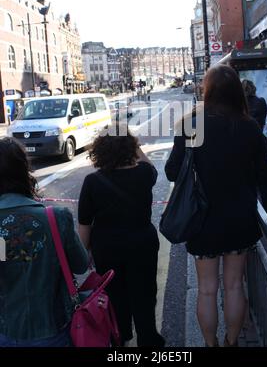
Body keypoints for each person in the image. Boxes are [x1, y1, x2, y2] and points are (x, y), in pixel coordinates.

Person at [165, 65, 267, 347]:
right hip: (240, 217)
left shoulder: (191, 124)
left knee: (207, 290)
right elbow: (265, 175)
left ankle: (210, 344)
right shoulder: (248, 125)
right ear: (237, 90)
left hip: (202, 218)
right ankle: (231, 341)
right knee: (235, 285)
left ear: (207, 90)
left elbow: (172, 172)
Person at [78, 126, 164, 347]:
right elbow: (149, 165)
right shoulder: (144, 174)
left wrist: (82, 255)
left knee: (114, 296)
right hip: (142, 243)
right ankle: (148, 338)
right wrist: (133, 143)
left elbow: (85, 224)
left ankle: (120, 337)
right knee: (144, 293)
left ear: (99, 151)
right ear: (130, 148)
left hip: (107, 247)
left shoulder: (92, 182)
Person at [0, 137, 89, 347]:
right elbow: (81, 264)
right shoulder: (56, 218)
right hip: (52, 327)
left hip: (6, 329)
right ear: (25, 171)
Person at [241, 79, 267, 223]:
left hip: (245, 150)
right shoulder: (261, 102)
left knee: (250, 187)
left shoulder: (239, 105)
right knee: (264, 188)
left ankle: (253, 217)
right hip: (261, 146)